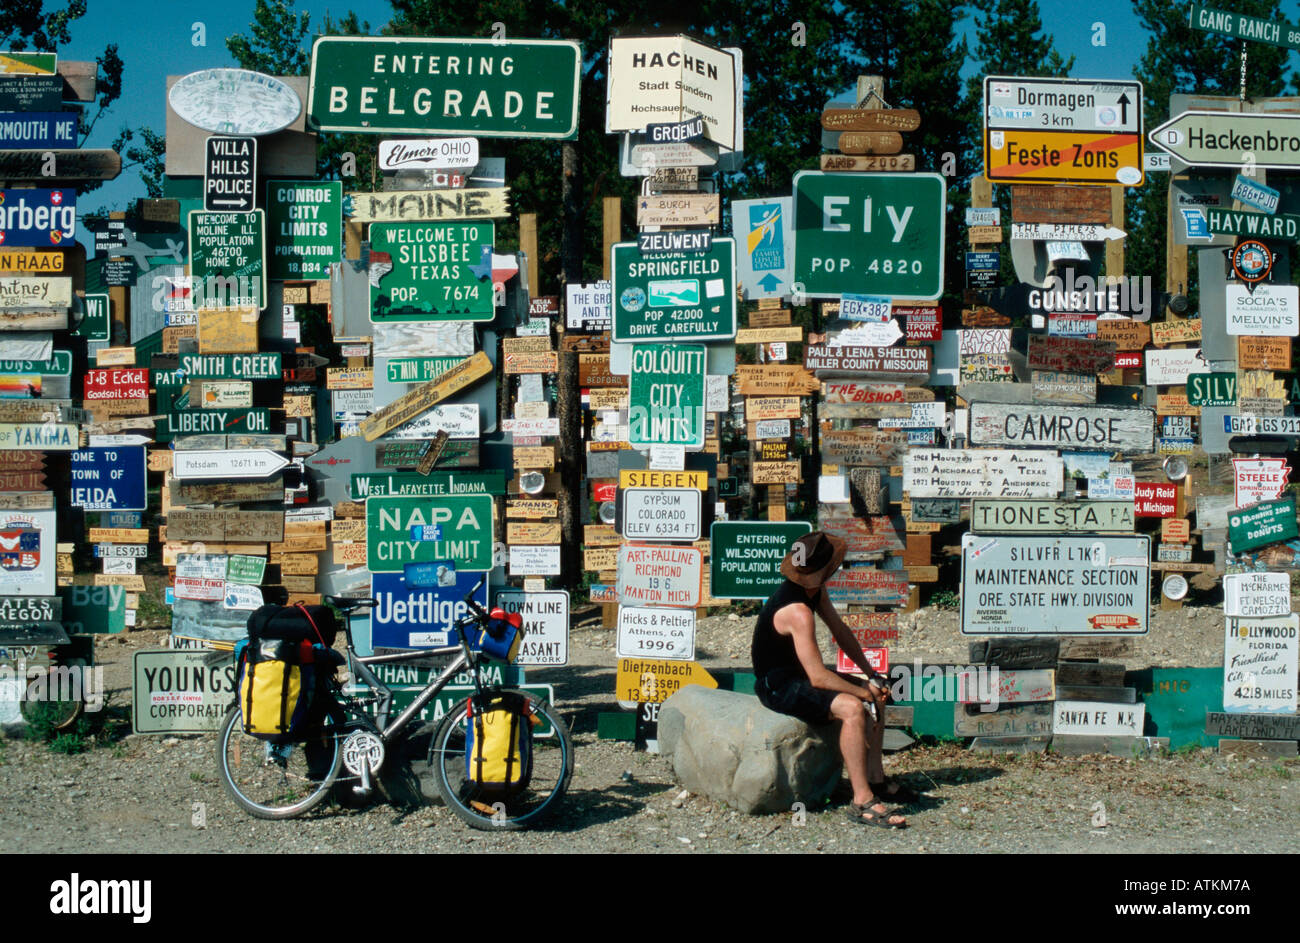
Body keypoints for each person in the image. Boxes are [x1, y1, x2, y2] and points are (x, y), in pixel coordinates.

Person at [751, 531, 912, 827]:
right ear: (828, 570)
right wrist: (860, 693)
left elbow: (840, 632)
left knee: (877, 691)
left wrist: (871, 676)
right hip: (777, 685)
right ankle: (862, 800)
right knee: (852, 708)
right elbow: (818, 677)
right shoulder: (797, 611)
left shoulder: (813, 591)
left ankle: (875, 778)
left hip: (800, 674)